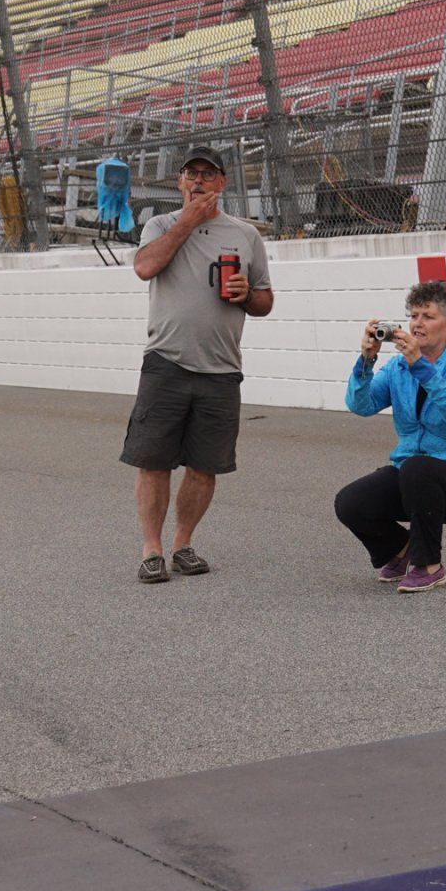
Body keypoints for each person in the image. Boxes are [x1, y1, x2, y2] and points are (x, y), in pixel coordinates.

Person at [121, 147, 273, 584]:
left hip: (222, 369)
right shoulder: (161, 225)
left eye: (208, 174)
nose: (199, 181)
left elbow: (265, 301)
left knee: (205, 465)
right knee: (153, 460)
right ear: (181, 182)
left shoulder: (245, 235)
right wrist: (188, 221)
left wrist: (246, 293)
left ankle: (182, 544)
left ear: (222, 183)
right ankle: (151, 549)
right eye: (191, 174)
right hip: (166, 361)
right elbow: (145, 267)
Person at [334, 280, 446, 593]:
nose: (417, 324)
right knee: (350, 502)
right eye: (414, 315)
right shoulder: (397, 368)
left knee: (419, 467)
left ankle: (429, 564)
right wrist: (366, 360)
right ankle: (401, 549)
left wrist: (420, 366)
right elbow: (360, 405)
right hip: (413, 476)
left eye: (427, 316)